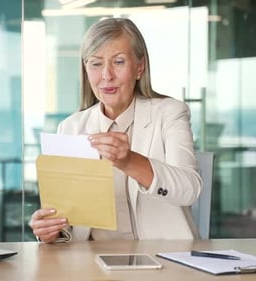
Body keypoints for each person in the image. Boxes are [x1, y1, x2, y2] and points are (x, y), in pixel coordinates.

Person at [29, 18, 202, 243]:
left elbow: (190, 189)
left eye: (118, 62)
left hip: (162, 257)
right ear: (86, 69)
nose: (106, 75)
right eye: (96, 64)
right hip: (91, 262)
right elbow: (66, 219)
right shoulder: (70, 128)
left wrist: (129, 161)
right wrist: (52, 229)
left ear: (139, 67)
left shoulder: (170, 113)